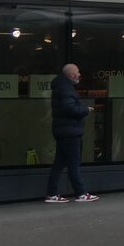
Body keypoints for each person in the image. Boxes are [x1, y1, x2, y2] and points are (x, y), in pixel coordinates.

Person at [45, 63, 98, 203]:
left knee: (59, 163)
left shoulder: (61, 87)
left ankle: (52, 194)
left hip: (63, 130)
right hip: (70, 131)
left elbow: (67, 107)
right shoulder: (66, 89)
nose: (80, 74)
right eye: (78, 72)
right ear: (71, 75)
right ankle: (80, 193)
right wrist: (85, 110)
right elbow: (70, 109)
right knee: (74, 163)